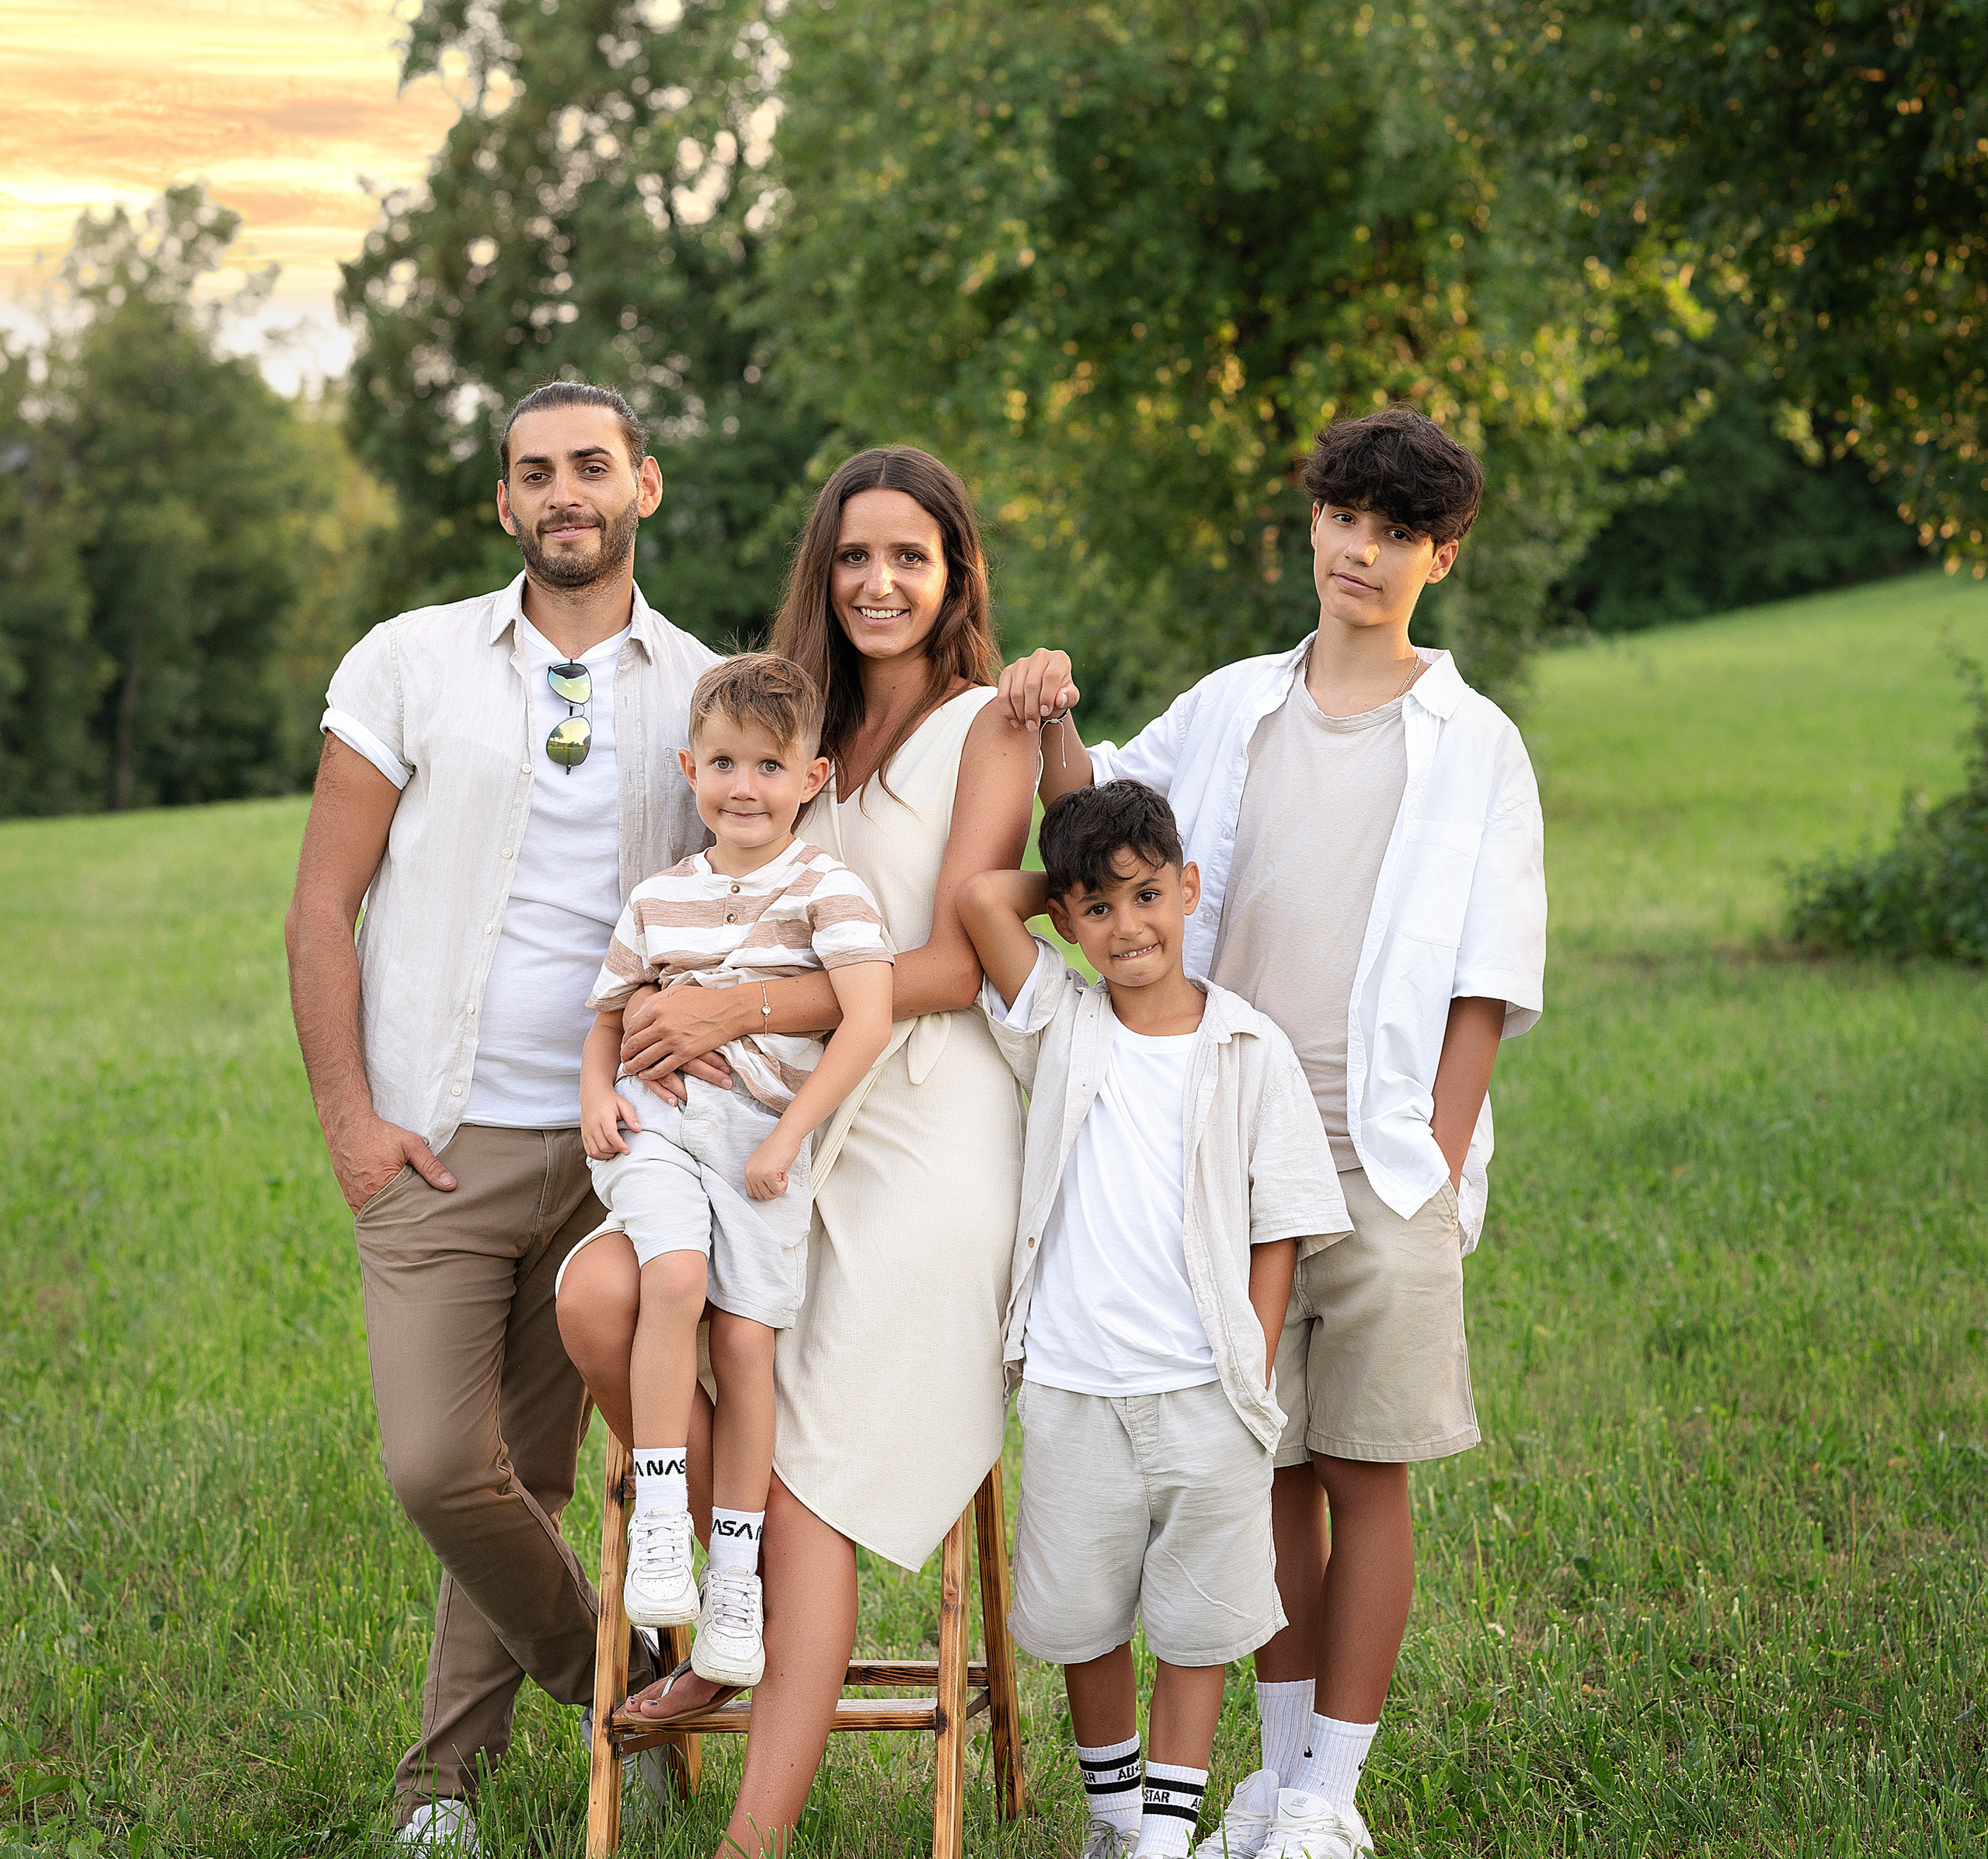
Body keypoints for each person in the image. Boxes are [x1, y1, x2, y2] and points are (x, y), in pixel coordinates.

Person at [997, 406, 1548, 1858]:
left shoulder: (1474, 744)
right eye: (1340, 520)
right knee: (1268, 1471)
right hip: (1215, 1152)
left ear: (1438, 554)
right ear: (1314, 523)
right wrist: (1051, 713)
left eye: (1392, 533)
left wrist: (1428, 1155)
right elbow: (1100, 824)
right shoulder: (1238, 701)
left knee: (1366, 1471)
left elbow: (1487, 981)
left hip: (1373, 1158)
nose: (1357, 552)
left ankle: (1328, 1796)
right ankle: (1270, 1773)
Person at [550, 445, 1040, 1857]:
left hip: (922, 1116)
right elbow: (701, 902)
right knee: (597, 1297)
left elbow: (957, 959)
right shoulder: (785, 722)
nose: (879, 582)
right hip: (755, 1107)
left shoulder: (985, 725)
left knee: (812, 1453)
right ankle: (731, 1589)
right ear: (822, 570)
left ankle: (751, 1835)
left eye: (912, 557)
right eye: (853, 555)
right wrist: (675, 1017)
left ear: (955, 576)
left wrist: (740, 1004)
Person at [285, 381, 719, 1850]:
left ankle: (436, 1788)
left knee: (529, 1477)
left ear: (643, 486)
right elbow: (320, 905)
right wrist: (352, 1122)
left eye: (591, 466)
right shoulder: (409, 663)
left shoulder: (708, 688)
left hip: (624, 1155)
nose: (563, 494)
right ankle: (631, 1682)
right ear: (504, 503)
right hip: (437, 1139)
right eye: (534, 473)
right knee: (436, 1467)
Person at [957, 781, 1352, 1859]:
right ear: (1070, 923)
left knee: (1200, 1621)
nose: (1126, 928)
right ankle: (1115, 1822)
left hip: (1205, 1388)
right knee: (1084, 1616)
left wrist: (1255, 1367)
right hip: (1076, 1385)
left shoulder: (1247, 1047)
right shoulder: (1061, 1020)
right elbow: (987, 901)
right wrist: (1069, 872)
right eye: (1096, 909)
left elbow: (1282, 1223)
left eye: (1145, 896)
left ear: (1188, 889)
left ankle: (1169, 1834)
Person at [559, 653, 893, 1691]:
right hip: (661, 1129)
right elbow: (610, 1014)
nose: (742, 787)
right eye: (721, 764)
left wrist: (788, 1136)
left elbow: (868, 1016)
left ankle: (736, 1577)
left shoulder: (826, 888)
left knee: (747, 1349)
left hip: (759, 1144)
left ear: (813, 776)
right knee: (671, 1277)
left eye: (766, 765)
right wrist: (595, 1101)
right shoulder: (663, 898)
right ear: (687, 768)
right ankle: (664, 1514)